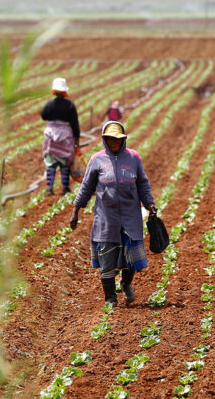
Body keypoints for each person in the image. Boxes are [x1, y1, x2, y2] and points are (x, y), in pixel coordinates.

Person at [69, 121, 157, 307]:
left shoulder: (133, 158)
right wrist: (76, 210)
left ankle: (126, 283)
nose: (114, 142)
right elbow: (86, 186)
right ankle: (110, 298)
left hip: (130, 216)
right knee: (107, 258)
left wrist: (149, 204)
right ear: (104, 140)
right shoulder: (96, 160)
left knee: (130, 257)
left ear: (123, 139)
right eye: (110, 139)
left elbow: (142, 183)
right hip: (106, 218)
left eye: (118, 139)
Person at [41, 77, 80, 195]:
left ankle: (49, 188)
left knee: (50, 163)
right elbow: (74, 123)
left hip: (51, 136)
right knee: (65, 163)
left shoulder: (49, 104)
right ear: (64, 91)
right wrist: (77, 138)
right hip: (65, 137)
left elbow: (43, 116)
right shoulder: (70, 105)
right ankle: (65, 188)